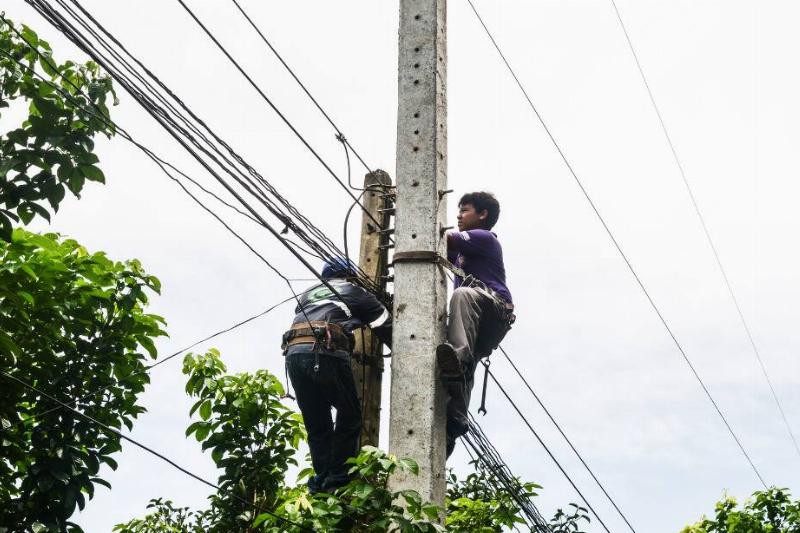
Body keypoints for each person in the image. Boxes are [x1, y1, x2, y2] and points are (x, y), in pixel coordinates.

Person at [283, 258, 392, 493]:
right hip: (325, 353)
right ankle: (338, 477)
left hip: (293, 354)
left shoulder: (308, 294)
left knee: (317, 422)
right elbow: (384, 323)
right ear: (350, 276)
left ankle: (321, 480)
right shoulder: (354, 290)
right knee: (350, 414)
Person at [437, 192, 514, 457]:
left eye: (464, 210)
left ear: (482, 214)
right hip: (478, 322)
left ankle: (457, 358)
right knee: (467, 366)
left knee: (462, 295)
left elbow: (440, 238)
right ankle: (454, 424)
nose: (458, 215)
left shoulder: (484, 238)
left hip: (494, 308)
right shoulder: (462, 254)